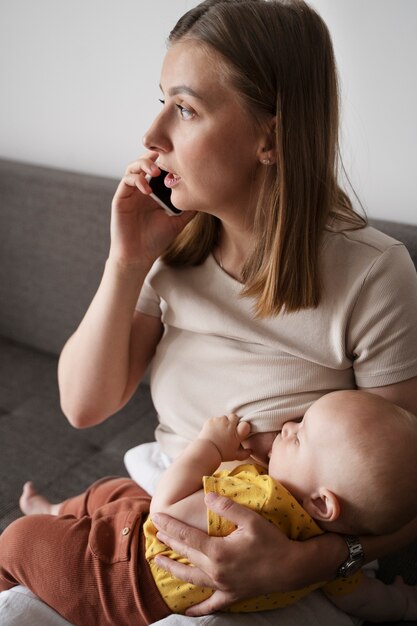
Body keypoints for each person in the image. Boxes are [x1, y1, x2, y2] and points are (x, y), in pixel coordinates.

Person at [5, 0, 416, 624]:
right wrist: (125, 261)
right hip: (159, 509)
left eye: (186, 108)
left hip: (283, 552)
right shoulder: (175, 247)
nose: (152, 134)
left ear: (269, 138)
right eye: (162, 100)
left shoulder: (373, 275)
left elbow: (399, 492)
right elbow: (84, 405)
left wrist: (308, 562)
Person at [1, 390, 417, 626]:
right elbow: (361, 600)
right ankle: (59, 510)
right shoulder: (336, 557)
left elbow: (165, 513)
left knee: (21, 540)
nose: (288, 426)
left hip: (121, 578)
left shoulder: (260, 501)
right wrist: (401, 603)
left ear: (323, 502)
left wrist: (208, 448)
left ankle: (38, 538)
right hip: (148, 571)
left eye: (299, 435)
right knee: (118, 490)